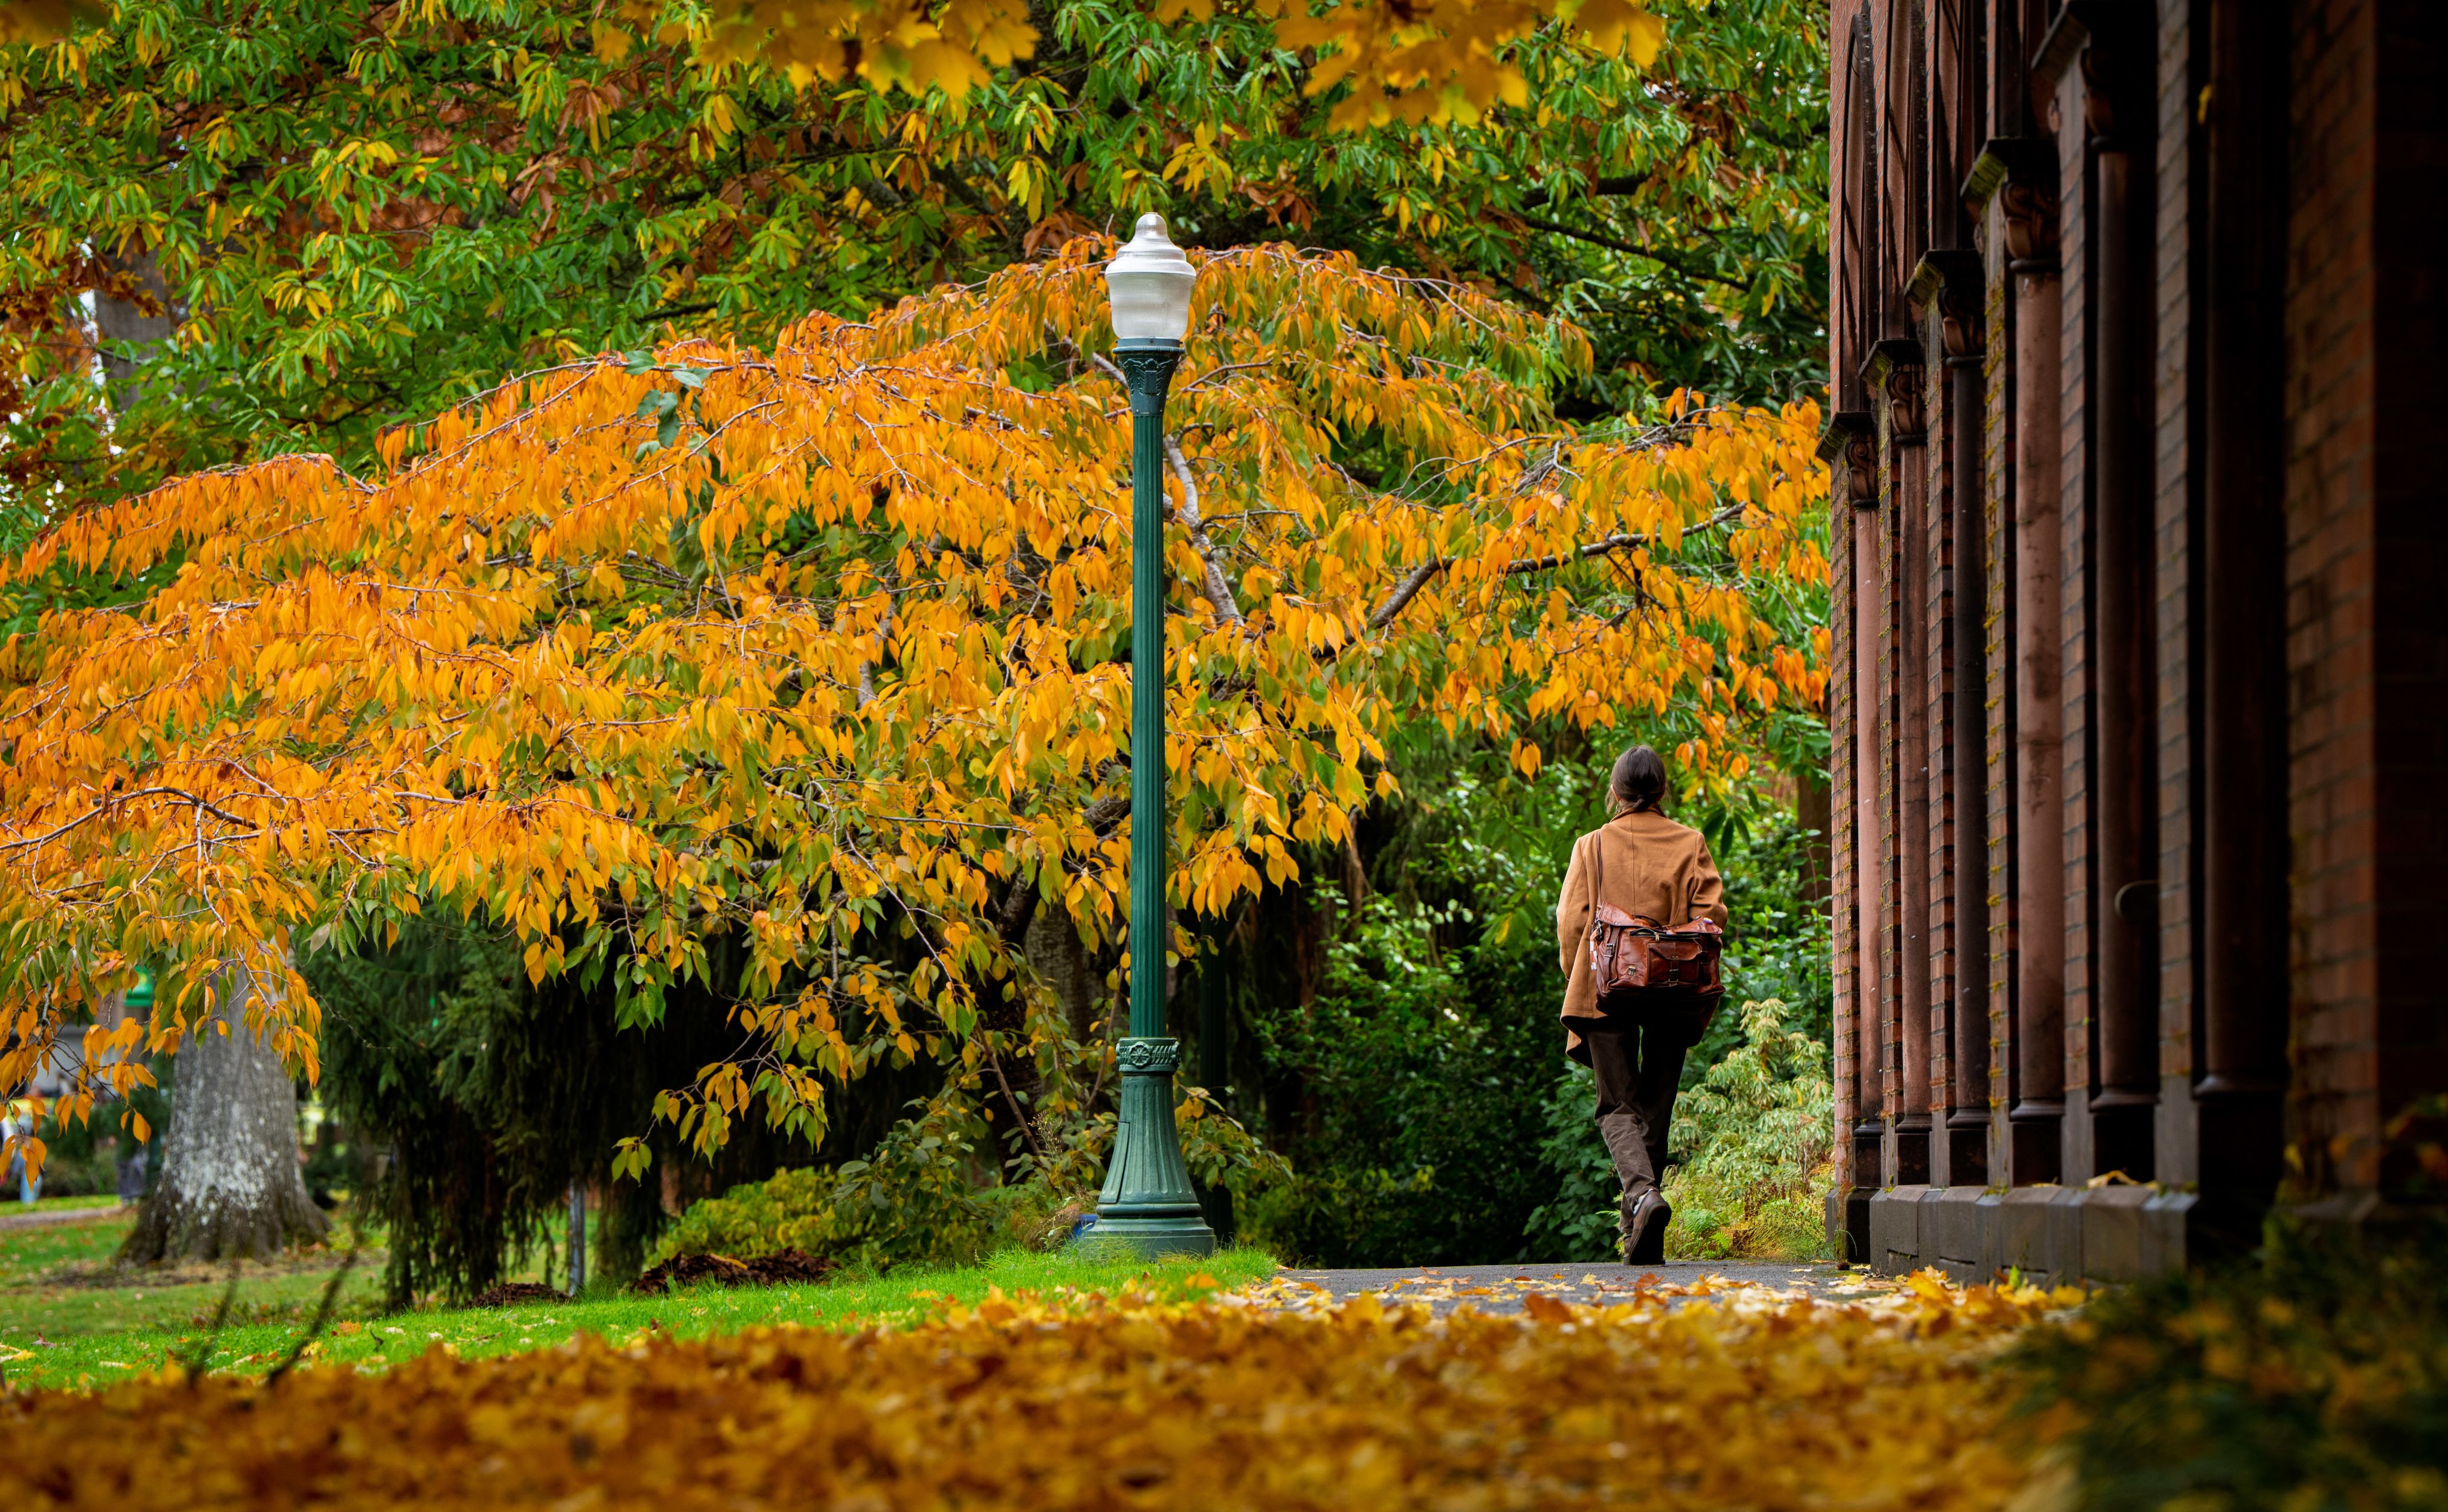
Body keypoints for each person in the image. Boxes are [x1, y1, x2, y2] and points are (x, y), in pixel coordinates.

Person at [1555, 745, 1727, 1265]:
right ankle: (1640, 1236)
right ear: (1662, 790)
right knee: (1656, 1105)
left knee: (1617, 1106)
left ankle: (1642, 1197)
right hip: (1674, 990)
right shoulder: (1690, 842)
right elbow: (1712, 914)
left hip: (1606, 988)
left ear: (1616, 791)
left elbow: (1571, 919)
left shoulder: (1592, 845)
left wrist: (1578, 974)